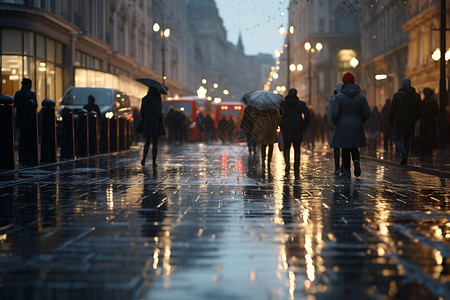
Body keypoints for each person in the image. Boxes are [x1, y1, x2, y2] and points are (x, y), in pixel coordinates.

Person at [331, 72, 370, 178]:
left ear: (344, 83)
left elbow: (334, 113)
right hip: (357, 125)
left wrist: (337, 122)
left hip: (343, 125)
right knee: (354, 147)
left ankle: (347, 171)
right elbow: (367, 113)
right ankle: (356, 162)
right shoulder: (362, 97)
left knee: (345, 149)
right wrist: (360, 121)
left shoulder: (338, 97)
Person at [389, 77, 421, 165]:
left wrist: (391, 121)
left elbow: (392, 110)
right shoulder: (416, 96)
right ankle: (405, 156)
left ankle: (404, 154)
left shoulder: (397, 95)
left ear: (402, 84)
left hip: (399, 121)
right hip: (411, 121)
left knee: (396, 138)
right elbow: (419, 110)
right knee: (407, 139)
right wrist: (414, 118)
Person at [279, 88, 310, 173]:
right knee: (297, 148)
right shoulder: (301, 104)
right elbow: (308, 116)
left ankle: (287, 163)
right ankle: (296, 166)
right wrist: (303, 126)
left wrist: (281, 125)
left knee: (287, 147)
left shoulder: (283, 104)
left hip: (286, 128)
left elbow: (279, 116)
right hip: (298, 129)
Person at [140, 87, 166, 167]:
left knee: (147, 142)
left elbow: (142, 112)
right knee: (155, 143)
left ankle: (144, 159)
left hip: (147, 123)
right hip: (155, 123)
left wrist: (147, 117)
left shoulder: (144, 99)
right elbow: (159, 112)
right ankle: (154, 162)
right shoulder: (157, 99)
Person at [14, 78, 37, 164]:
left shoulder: (18, 94)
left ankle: (22, 157)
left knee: (22, 139)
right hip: (30, 120)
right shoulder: (32, 94)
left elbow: (15, 105)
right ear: (29, 85)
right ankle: (28, 157)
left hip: (21, 120)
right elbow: (35, 105)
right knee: (29, 139)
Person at [327, 82, 343, 175]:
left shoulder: (332, 99)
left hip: (336, 126)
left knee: (336, 148)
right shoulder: (346, 98)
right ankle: (344, 166)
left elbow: (329, 113)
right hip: (344, 126)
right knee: (345, 148)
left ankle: (337, 167)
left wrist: (331, 125)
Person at [419, 88, 439, 156]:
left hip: (425, 124)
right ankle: (429, 151)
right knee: (430, 138)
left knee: (425, 138)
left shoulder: (422, 102)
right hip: (431, 123)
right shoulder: (433, 102)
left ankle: (425, 151)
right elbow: (437, 114)